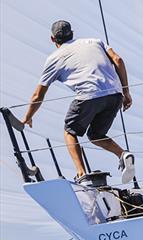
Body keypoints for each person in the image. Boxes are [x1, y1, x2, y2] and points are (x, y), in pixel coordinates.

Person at [21, 20, 135, 181]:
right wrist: (126, 91)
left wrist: (27, 117)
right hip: (114, 95)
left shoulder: (54, 58)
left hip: (88, 96)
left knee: (69, 131)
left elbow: (37, 95)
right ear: (73, 33)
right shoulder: (95, 41)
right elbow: (118, 60)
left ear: (53, 39)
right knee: (96, 135)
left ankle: (81, 173)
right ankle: (123, 154)